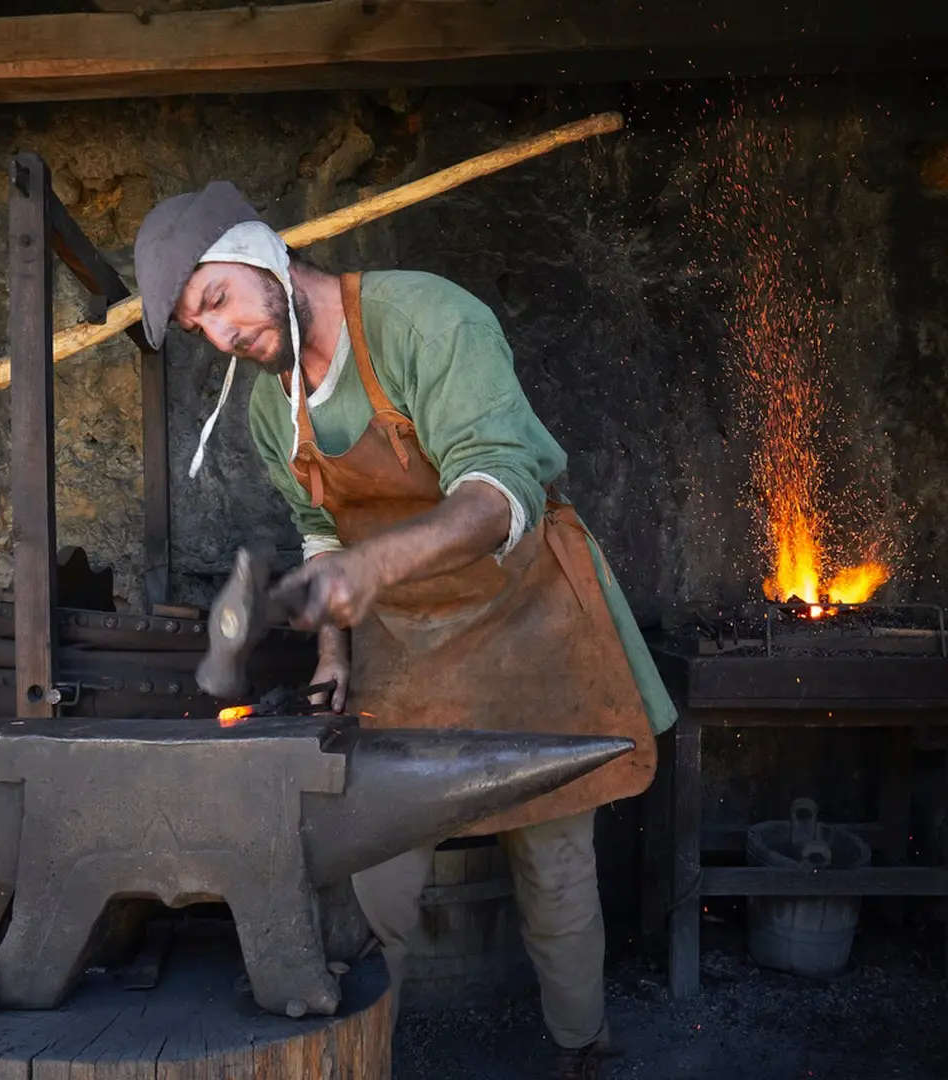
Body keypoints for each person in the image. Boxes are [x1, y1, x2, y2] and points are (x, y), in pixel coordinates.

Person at [133, 181, 677, 1080]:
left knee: (554, 864)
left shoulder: (424, 320)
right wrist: (335, 653)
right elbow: (320, 532)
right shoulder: (276, 407)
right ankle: (355, 1056)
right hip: (411, 646)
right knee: (373, 861)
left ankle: (581, 1050)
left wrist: (370, 569)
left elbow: (503, 487)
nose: (222, 336)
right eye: (200, 328)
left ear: (260, 250)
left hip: (527, 621)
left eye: (217, 300)